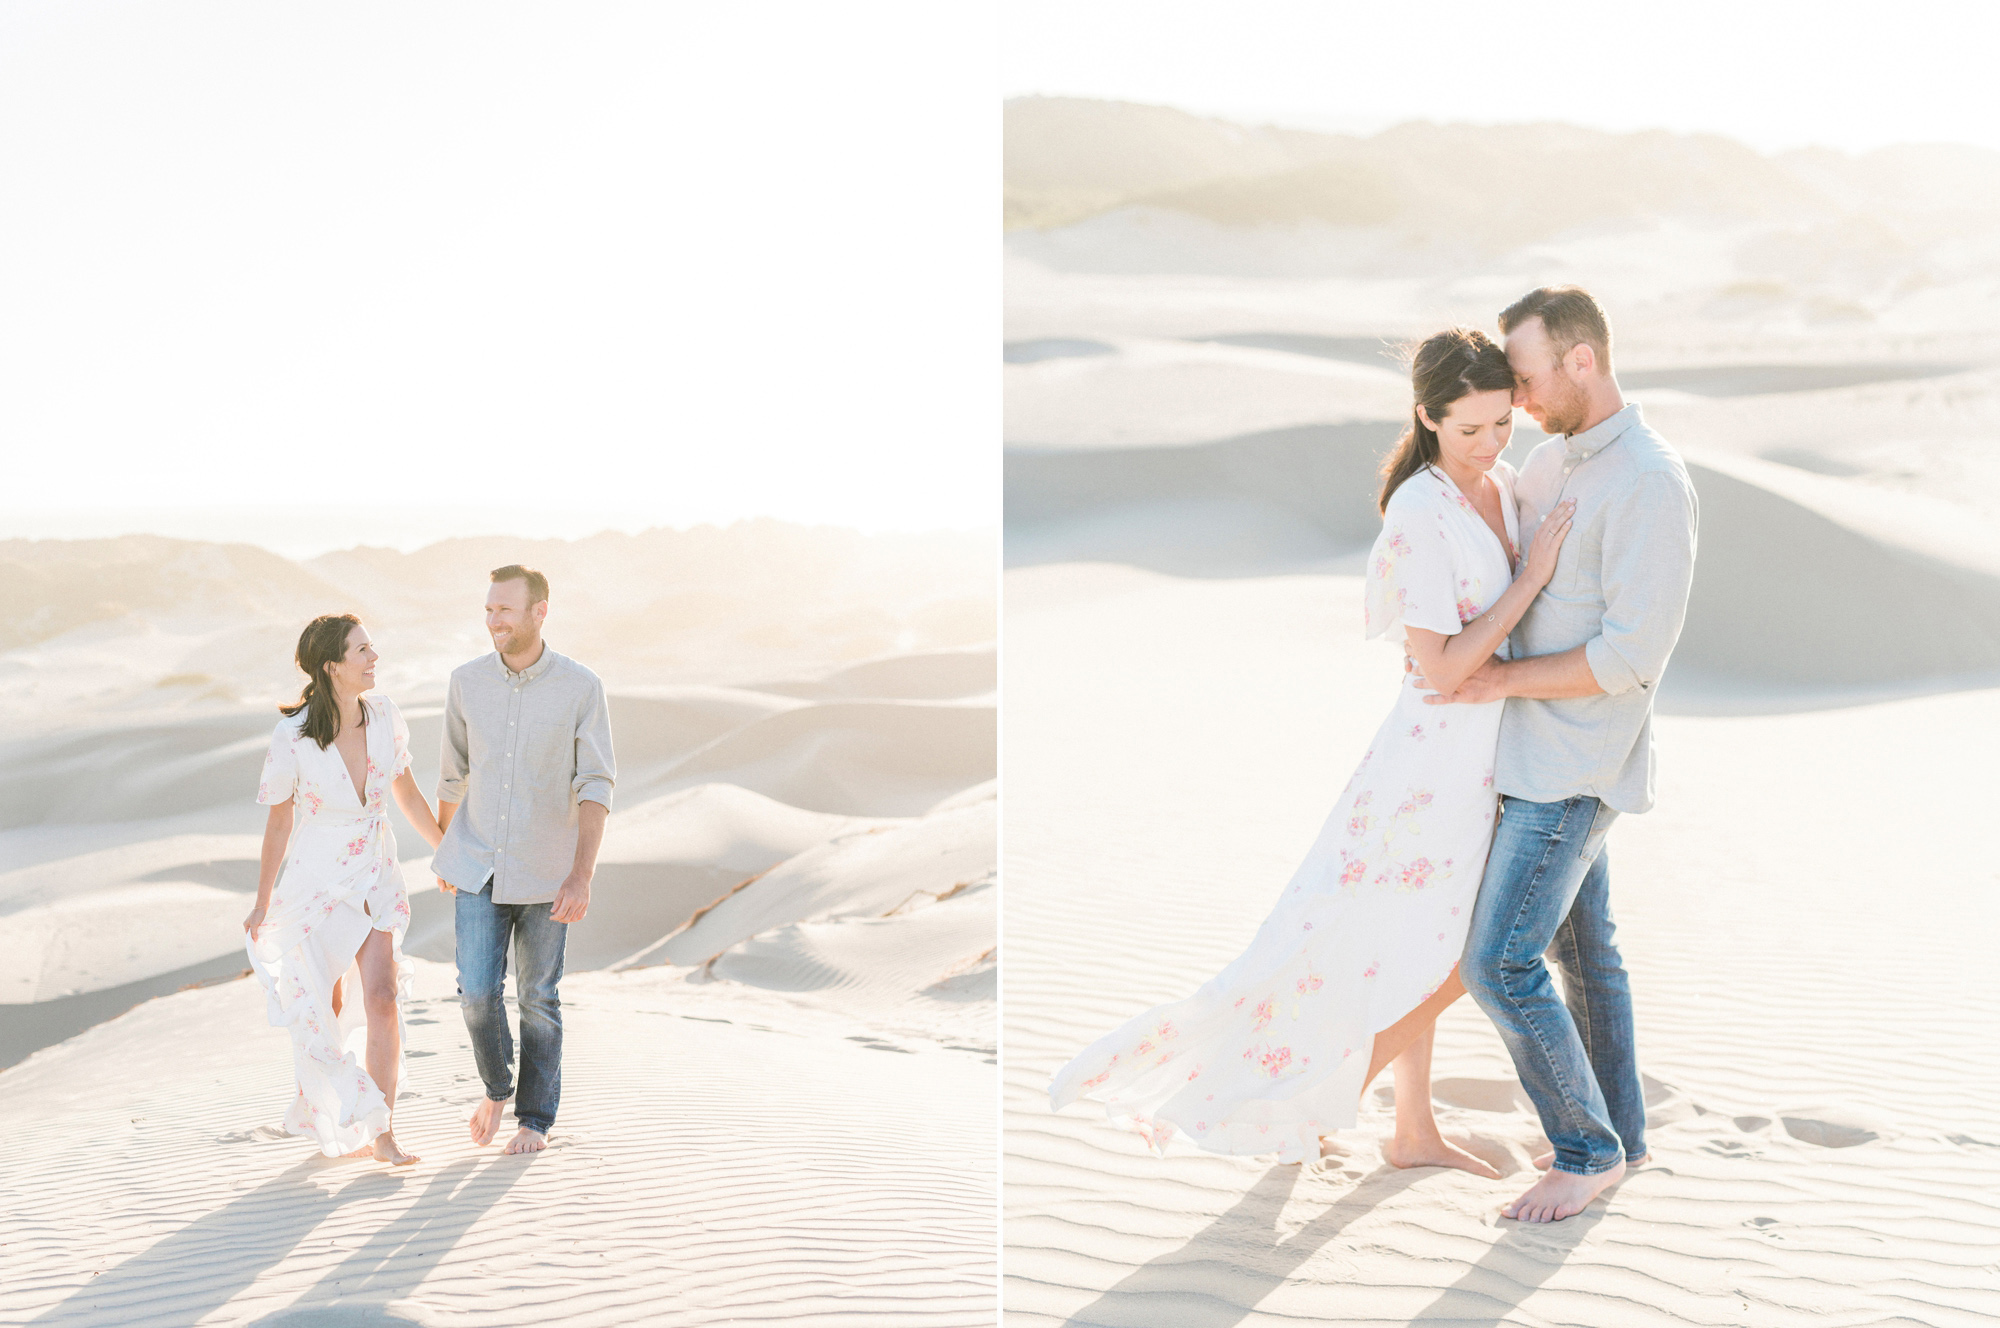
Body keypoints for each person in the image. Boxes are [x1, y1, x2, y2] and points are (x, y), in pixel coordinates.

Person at [1049, 328, 1575, 1171]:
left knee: (1419, 939)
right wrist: (1529, 582)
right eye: (1470, 429)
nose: (1489, 445)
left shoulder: (1504, 485)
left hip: (1490, 744)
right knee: (1445, 951)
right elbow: (1439, 667)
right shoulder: (1420, 510)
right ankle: (1315, 1099)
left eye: (1502, 423)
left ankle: (1413, 1130)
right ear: (1428, 418)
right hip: (1436, 758)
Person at [1419, 286, 1698, 1222]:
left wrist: (1494, 682)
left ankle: (1584, 1151)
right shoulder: (1551, 461)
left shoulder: (1649, 482)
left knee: (1498, 963)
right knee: (1589, 956)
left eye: (1529, 377)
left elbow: (1631, 657)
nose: (1521, 397)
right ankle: (1621, 1130)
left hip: (1574, 766)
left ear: (1582, 361)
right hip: (1525, 755)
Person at [244, 613, 444, 1166]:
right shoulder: (293, 736)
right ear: (332, 665)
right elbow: (279, 822)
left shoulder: (385, 716)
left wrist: (442, 850)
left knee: (382, 998)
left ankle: (382, 1131)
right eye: (362, 650)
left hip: (375, 871)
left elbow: (404, 792)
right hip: (315, 883)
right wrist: (263, 901)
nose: (374, 657)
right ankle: (325, 1106)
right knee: (323, 1006)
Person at [432, 564, 615, 1156]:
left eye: (505, 610)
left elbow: (596, 784)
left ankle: (534, 1119)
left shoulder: (581, 687)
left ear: (540, 611)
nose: (494, 621)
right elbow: (451, 775)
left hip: (548, 871)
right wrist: (445, 853)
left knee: (539, 998)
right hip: (478, 864)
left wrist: (581, 875)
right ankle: (497, 1087)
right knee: (477, 993)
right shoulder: (465, 682)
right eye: (489, 610)